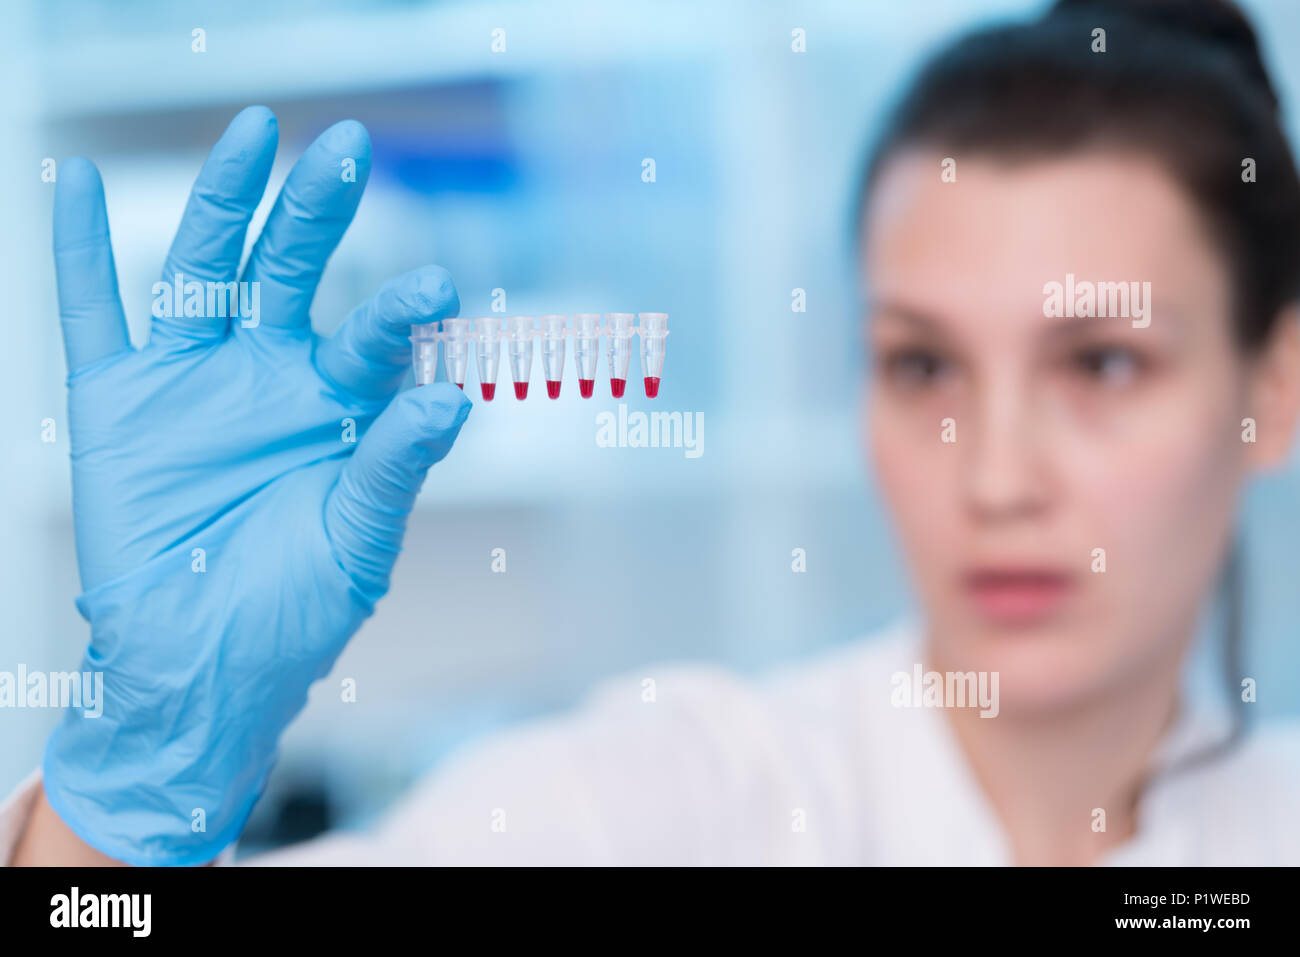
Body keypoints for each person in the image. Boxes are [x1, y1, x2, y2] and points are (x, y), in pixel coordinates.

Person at [6, 0, 1300, 866]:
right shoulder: (677, 798)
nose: (999, 475)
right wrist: (129, 799)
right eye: (922, 363)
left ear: (1272, 390)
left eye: (1104, 361)